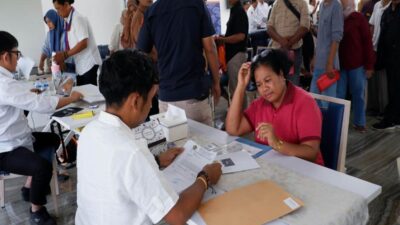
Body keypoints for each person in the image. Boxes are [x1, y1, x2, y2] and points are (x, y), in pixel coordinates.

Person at [75, 49, 222, 225]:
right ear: (135, 101)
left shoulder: (90, 131)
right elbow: (177, 216)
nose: (151, 104)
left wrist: (156, 161)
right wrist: (204, 177)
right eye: (151, 98)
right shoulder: (131, 151)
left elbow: (113, 171)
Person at [0, 31, 83, 225]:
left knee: (53, 139)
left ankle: (29, 187)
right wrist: (71, 98)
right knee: (42, 167)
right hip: (6, 149)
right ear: (5, 56)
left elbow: (15, 103)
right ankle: (36, 210)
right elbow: (42, 105)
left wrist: (29, 95)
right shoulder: (4, 84)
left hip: (15, 137)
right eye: (16, 54)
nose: (18, 58)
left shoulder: (6, 83)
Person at [225, 49, 324, 165]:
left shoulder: (305, 103)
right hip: (273, 169)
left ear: (281, 74)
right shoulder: (260, 104)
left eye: (267, 80)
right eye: (259, 85)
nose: (264, 88)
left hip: (306, 173)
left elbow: (311, 153)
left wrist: (277, 143)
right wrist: (241, 86)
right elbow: (233, 129)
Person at [137, 0, 221, 126]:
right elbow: (210, 47)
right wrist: (216, 83)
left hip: (166, 96)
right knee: (202, 143)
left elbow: (141, 52)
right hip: (193, 93)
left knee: (172, 144)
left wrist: (156, 78)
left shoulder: (152, 11)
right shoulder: (196, 5)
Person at [337, 0, 375, 132]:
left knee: (358, 95)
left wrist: (369, 65)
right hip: (340, 65)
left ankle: (360, 122)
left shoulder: (358, 18)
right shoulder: (337, 17)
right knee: (339, 95)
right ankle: (339, 122)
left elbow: (367, 42)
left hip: (357, 65)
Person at [53, 0, 102, 86]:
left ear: (66, 4)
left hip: (89, 64)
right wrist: (62, 59)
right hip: (81, 66)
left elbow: (84, 43)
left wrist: (64, 55)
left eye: (58, 9)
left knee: (88, 96)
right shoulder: (68, 21)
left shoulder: (77, 18)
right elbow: (71, 43)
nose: (57, 12)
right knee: (81, 94)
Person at [267, 0, 310, 86]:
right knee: (276, 82)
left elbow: (305, 26)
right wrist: (281, 41)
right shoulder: (277, 3)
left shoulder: (302, 3)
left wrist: (289, 43)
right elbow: (269, 27)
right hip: (277, 51)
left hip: (294, 51)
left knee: (292, 83)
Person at [372, 0, 400, 129]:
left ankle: (392, 118)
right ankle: (393, 118)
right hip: (389, 57)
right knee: (392, 87)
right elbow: (382, 35)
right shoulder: (387, 12)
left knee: (395, 88)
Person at [215, 0, 248, 105]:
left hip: (236, 55)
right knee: (235, 89)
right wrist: (223, 38)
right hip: (232, 56)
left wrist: (223, 40)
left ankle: (241, 116)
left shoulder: (239, 11)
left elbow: (240, 36)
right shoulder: (234, 10)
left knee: (238, 90)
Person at [310, 0, 343, 101]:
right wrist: (314, 57)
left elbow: (336, 38)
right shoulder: (322, 5)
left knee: (326, 103)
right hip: (319, 62)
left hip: (328, 65)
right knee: (313, 101)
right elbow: (320, 37)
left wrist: (330, 63)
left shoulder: (336, 6)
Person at [367, 0, 390, 116]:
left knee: (385, 81)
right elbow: (372, 26)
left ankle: (385, 109)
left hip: (387, 49)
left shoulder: (393, 6)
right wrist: (370, 45)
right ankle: (376, 107)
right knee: (375, 80)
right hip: (375, 47)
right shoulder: (377, 5)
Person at [38, 9, 64, 74]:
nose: (48, 24)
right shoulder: (49, 34)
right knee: (56, 83)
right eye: (46, 22)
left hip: (67, 67)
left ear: (55, 19)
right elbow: (45, 48)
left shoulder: (64, 32)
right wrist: (41, 61)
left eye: (50, 21)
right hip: (55, 68)